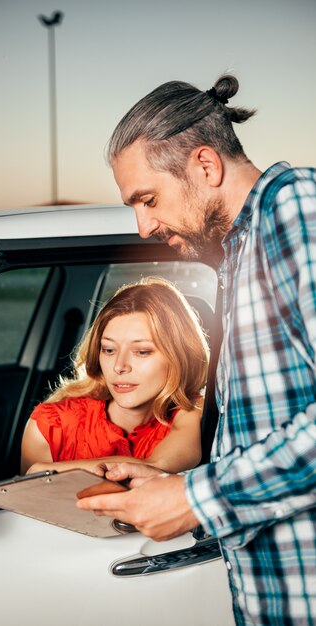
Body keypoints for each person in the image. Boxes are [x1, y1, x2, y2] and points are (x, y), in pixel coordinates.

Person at [77, 74, 316, 625]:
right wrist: (178, 486)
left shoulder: (296, 209)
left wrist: (195, 500)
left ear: (206, 167)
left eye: (149, 199)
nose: (143, 227)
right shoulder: (237, 253)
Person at [21, 277, 209, 476]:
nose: (119, 366)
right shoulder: (50, 426)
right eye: (109, 350)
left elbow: (156, 465)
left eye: (142, 352)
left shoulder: (194, 412)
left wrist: (46, 471)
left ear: (180, 356)